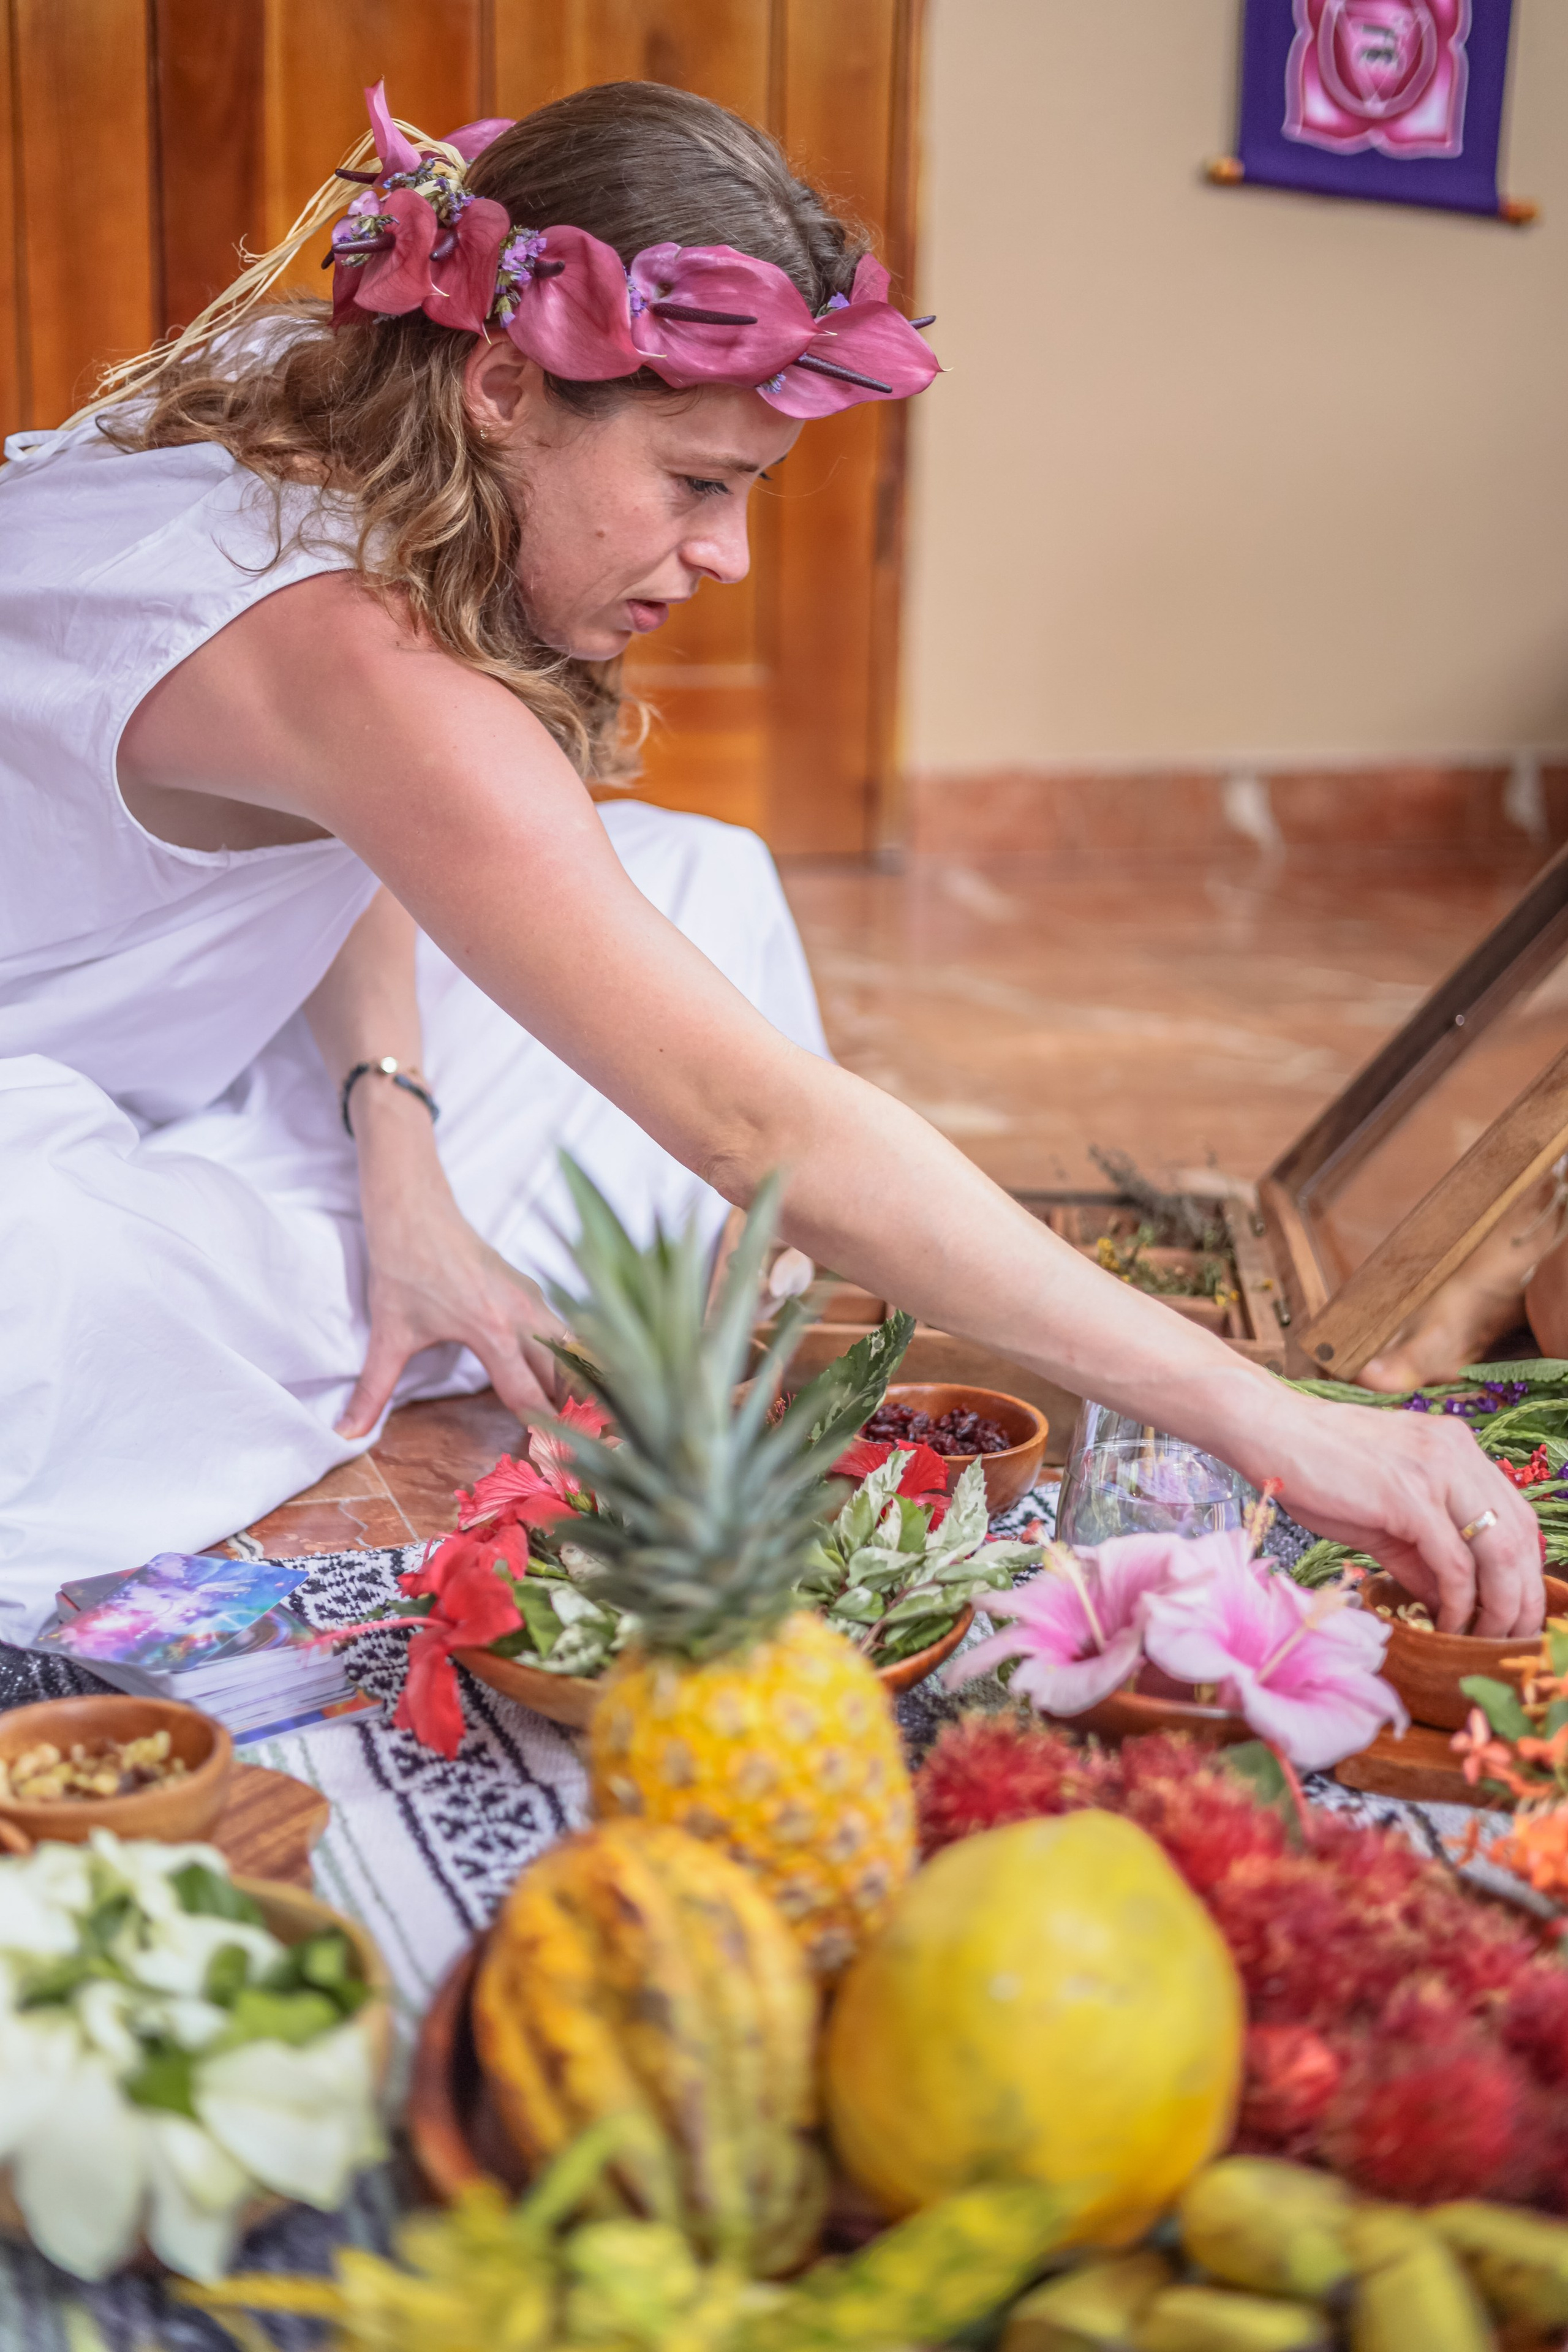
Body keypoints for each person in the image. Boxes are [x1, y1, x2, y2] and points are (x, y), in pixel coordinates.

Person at [0, 80, 1540, 1645]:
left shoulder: (323, 409)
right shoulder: (359, 669)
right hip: (35, 1129)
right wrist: (1274, 1420)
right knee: (108, 1303)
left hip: (172, 1034)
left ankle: (379, 1243)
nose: (726, 553)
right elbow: (753, 1125)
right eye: (695, 483)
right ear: (503, 384)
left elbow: (359, 832)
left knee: (701, 887)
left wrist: (399, 1150)